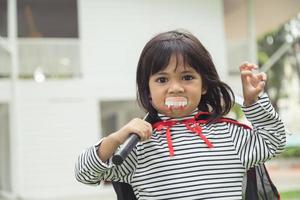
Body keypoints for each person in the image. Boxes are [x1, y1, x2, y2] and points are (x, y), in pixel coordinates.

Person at [75, 30, 286, 199]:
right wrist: (116, 138)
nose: (175, 88)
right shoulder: (137, 147)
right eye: (162, 80)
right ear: (147, 90)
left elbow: (274, 140)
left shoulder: (229, 134)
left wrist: (253, 102)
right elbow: (85, 174)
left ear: (203, 85)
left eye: (187, 77)